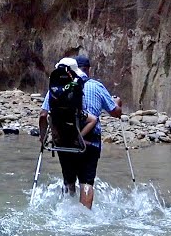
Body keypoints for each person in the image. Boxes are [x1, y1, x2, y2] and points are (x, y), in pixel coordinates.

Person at [38, 54, 121, 210]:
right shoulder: (96, 86)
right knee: (86, 182)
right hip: (89, 141)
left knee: (68, 180)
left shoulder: (55, 88)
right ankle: (84, 217)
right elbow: (116, 113)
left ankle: (65, 212)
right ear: (87, 70)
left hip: (63, 140)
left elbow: (43, 115)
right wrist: (117, 102)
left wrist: (43, 138)